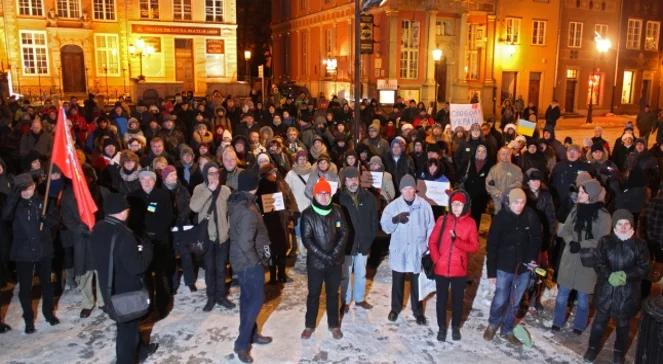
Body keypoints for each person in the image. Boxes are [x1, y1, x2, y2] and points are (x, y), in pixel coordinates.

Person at [91, 193, 158, 364]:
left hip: (108, 286)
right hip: (125, 291)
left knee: (129, 326)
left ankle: (141, 351)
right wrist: (148, 250)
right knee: (126, 332)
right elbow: (137, 267)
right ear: (122, 212)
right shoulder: (124, 234)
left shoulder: (99, 227)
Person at [584, 210, 650, 364]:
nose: (623, 227)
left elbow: (644, 267)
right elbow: (598, 262)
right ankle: (592, 348)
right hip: (606, 291)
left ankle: (619, 353)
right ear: (614, 224)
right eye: (620, 223)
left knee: (623, 326)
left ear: (632, 225)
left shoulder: (640, 245)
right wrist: (609, 275)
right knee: (599, 322)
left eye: (627, 223)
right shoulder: (605, 241)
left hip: (628, 294)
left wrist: (626, 275)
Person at [1, 173, 60, 334]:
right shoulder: (14, 204)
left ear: (34, 186)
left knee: (47, 285)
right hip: (23, 252)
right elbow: (5, 217)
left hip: (43, 250)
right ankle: (28, 319)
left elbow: (56, 222)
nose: (26, 192)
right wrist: (13, 197)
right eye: (22, 190)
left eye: (28, 188)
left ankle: (49, 313)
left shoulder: (45, 201)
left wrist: (45, 219)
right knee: (25, 289)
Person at [484, 188, 542, 346]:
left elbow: (537, 238)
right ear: (509, 203)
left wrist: (531, 258)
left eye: (522, 202)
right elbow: (492, 245)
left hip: (523, 268)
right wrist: (491, 272)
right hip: (504, 266)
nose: (519, 205)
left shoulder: (530, 216)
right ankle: (493, 323)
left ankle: (507, 329)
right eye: (516, 202)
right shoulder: (501, 217)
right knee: (501, 299)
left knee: (515, 302)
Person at [552, 179, 611, 334]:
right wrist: (571, 242)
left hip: (587, 261)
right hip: (570, 258)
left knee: (583, 299)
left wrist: (582, 244)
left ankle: (579, 326)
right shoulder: (576, 209)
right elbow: (566, 230)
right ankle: (557, 321)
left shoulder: (604, 216)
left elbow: (602, 239)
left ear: (591, 195)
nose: (579, 194)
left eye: (582, 192)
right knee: (562, 294)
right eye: (580, 191)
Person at [228, 169, 273, 363]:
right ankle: (241, 343)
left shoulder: (240, 202)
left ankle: (252, 333)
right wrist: (256, 263)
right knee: (255, 301)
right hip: (248, 262)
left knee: (247, 300)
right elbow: (246, 243)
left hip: (241, 259)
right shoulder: (247, 210)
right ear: (255, 186)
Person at [380, 174, 435, 325]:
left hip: (418, 250)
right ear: (401, 190)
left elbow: (431, 227)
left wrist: (429, 248)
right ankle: (395, 308)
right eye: (405, 189)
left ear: (415, 189)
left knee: (417, 283)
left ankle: (418, 312)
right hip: (400, 249)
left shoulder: (424, 206)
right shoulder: (393, 206)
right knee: (397, 281)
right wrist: (394, 219)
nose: (409, 192)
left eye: (411, 189)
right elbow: (385, 227)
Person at [300, 177, 348, 340]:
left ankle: (334, 324)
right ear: (314, 195)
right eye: (320, 193)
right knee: (313, 294)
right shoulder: (307, 214)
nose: (324, 196)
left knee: (333, 294)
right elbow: (307, 240)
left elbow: (344, 233)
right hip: (316, 263)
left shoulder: (337, 211)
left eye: (327, 193)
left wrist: (334, 254)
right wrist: (324, 256)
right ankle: (309, 325)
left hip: (334, 262)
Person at [428, 190, 479, 341]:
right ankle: (442, 328)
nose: (456, 207)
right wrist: (437, 259)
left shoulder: (470, 223)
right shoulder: (442, 220)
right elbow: (432, 242)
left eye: (459, 204)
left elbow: (474, 247)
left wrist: (457, 242)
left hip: (459, 270)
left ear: (465, 206)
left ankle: (455, 327)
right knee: (441, 300)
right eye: (454, 204)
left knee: (458, 301)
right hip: (441, 268)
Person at [127, 170, 175, 318]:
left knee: (162, 275)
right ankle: (147, 307)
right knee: (145, 277)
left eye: (150, 179)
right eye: (143, 179)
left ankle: (163, 306)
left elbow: (168, 217)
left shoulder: (163, 195)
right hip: (142, 242)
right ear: (139, 181)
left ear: (155, 181)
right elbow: (132, 221)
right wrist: (142, 237)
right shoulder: (133, 197)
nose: (147, 182)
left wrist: (156, 234)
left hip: (160, 241)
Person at [189, 162, 235, 311]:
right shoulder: (199, 188)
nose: (214, 176)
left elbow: (231, 211)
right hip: (207, 237)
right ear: (205, 174)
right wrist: (209, 190)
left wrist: (228, 229)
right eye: (210, 173)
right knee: (210, 269)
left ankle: (221, 296)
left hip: (223, 237)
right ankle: (211, 298)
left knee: (221, 269)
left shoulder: (226, 190)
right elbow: (194, 207)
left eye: (216, 173)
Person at [338, 166, 378, 312]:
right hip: (347, 245)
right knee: (346, 274)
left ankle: (359, 299)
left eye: (355, 178)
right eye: (349, 179)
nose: (353, 182)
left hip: (363, 243)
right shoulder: (339, 199)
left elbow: (374, 220)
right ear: (344, 181)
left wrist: (369, 238)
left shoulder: (369, 198)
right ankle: (346, 301)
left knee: (361, 272)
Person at [485, 147, 523, 215]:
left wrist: (507, 192)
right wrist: (497, 193)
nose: (505, 156)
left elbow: (519, 183)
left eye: (507, 154)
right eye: (503, 154)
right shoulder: (493, 169)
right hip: (496, 202)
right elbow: (489, 183)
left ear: (510, 155)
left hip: (511, 202)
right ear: (499, 155)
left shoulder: (517, 170)